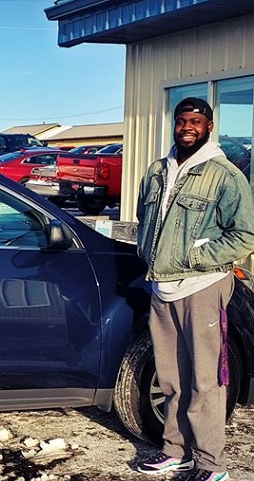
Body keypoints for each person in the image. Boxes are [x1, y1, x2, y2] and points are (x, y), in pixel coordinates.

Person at [135, 97, 254, 481]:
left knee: (206, 380)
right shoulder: (156, 171)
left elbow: (245, 234)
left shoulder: (225, 175)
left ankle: (211, 465)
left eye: (196, 121)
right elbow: (146, 221)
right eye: (182, 120)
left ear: (209, 126)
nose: (188, 126)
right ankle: (175, 451)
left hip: (202, 286)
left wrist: (196, 257)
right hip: (162, 287)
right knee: (171, 376)